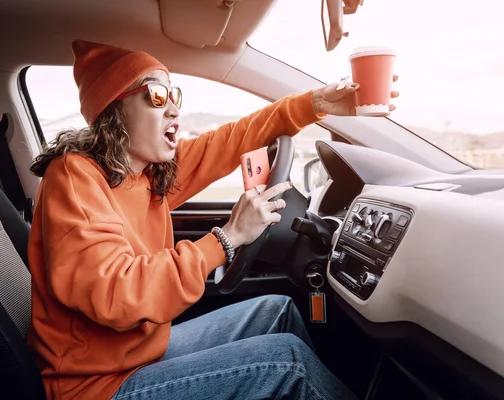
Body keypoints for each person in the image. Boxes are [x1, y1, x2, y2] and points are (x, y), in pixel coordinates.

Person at [26, 39, 398, 400]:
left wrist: (316, 104)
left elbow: (230, 141)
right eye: (157, 96)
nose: (173, 110)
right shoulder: (74, 177)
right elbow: (117, 295)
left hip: (139, 355)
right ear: (113, 110)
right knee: (288, 363)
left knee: (276, 310)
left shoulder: (148, 174)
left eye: (175, 97)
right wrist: (228, 238)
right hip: (98, 386)